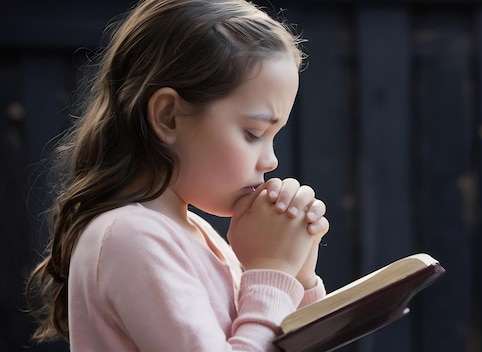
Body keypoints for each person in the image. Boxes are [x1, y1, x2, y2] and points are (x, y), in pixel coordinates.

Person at [26, 0, 330, 350]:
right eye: (253, 133)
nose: (271, 161)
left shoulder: (201, 237)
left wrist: (299, 276)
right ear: (169, 116)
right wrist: (271, 273)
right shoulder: (130, 238)